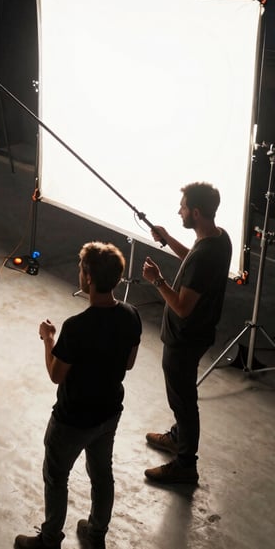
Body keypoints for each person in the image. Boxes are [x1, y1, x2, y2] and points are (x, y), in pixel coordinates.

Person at [14, 241, 141, 549]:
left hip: (72, 418)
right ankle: (96, 533)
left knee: (56, 477)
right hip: (109, 411)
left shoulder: (76, 327)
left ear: (88, 277)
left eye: (81, 268)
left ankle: (49, 539)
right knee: (101, 474)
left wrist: (48, 339)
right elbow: (129, 363)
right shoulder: (131, 315)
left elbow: (56, 374)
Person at [141, 182, 232, 484]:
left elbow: (182, 307)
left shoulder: (205, 255)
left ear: (195, 212)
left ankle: (185, 465)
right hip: (198, 334)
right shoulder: (218, 240)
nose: (178, 211)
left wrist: (157, 280)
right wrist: (167, 238)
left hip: (185, 338)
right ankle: (178, 437)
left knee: (183, 400)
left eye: (182, 207)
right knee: (183, 394)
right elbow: (192, 259)